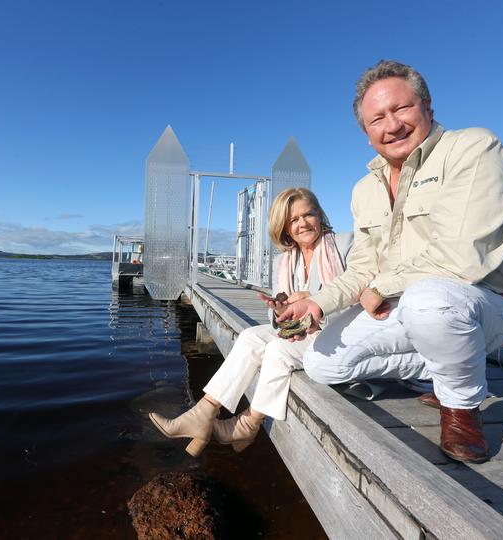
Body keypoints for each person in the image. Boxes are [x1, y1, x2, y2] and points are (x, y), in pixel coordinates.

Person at [279, 60, 503, 464]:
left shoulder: (474, 149)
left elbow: (461, 254)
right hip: (402, 303)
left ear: (428, 107)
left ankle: (460, 405)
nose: (391, 126)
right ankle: (435, 367)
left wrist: (381, 289)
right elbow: (361, 267)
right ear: (366, 133)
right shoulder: (364, 189)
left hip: (479, 301)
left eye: (402, 109)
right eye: (377, 119)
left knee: (429, 301)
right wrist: (317, 303)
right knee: (322, 365)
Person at [149, 188, 352, 456]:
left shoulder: (344, 245)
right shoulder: (285, 261)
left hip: (338, 331)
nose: (302, 223)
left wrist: (315, 300)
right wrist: (281, 309)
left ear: (320, 214)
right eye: (293, 220)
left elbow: (359, 293)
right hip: (301, 331)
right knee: (250, 337)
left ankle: (248, 422)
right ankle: (205, 411)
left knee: (277, 351)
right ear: (285, 228)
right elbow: (279, 322)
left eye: (308, 214)